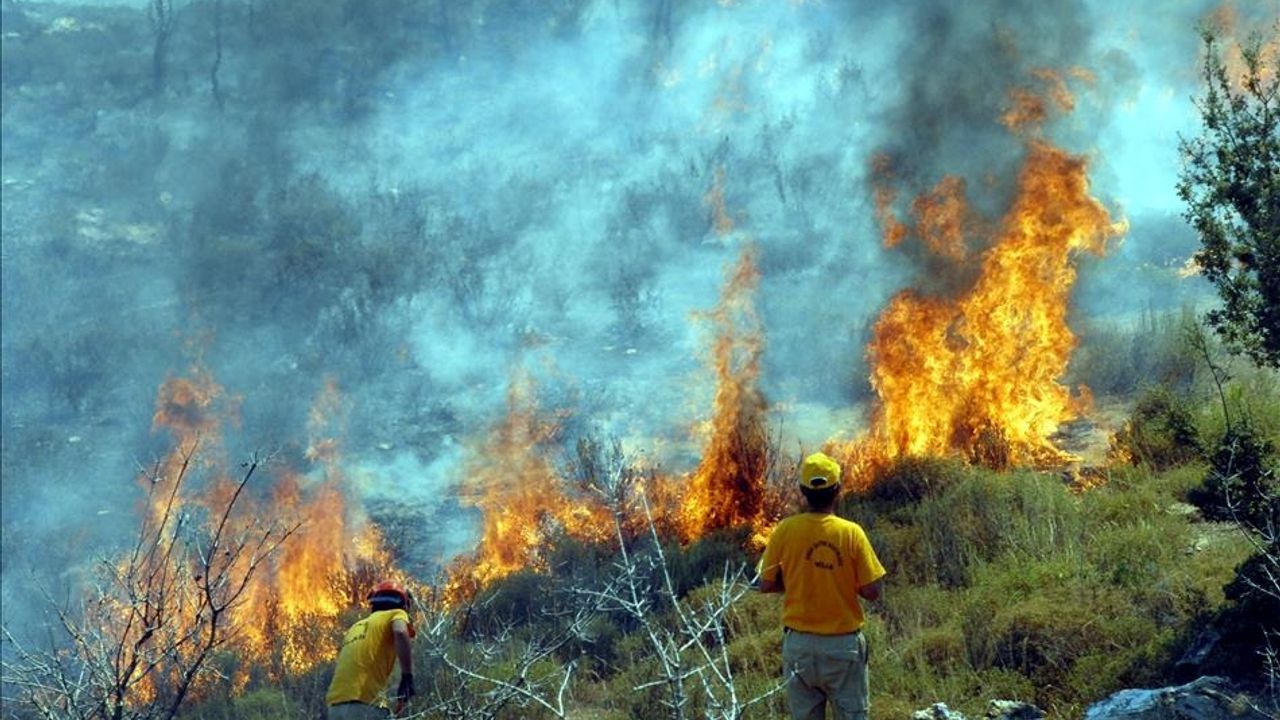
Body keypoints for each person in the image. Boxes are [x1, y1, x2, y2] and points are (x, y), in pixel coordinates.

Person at [758, 452, 886, 720]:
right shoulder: (851, 533)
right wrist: (840, 579)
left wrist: (798, 578)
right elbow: (872, 591)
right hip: (842, 648)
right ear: (837, 490)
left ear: (803, 491)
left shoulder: (785, 530)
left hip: (799, 648)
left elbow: (766, 583)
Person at [325, 581, 417, 719]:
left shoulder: (356, 627)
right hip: (365, 703)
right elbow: (400, 631)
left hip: (336, 706)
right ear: (403, 603)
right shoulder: (397, 613)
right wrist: (407, 677)